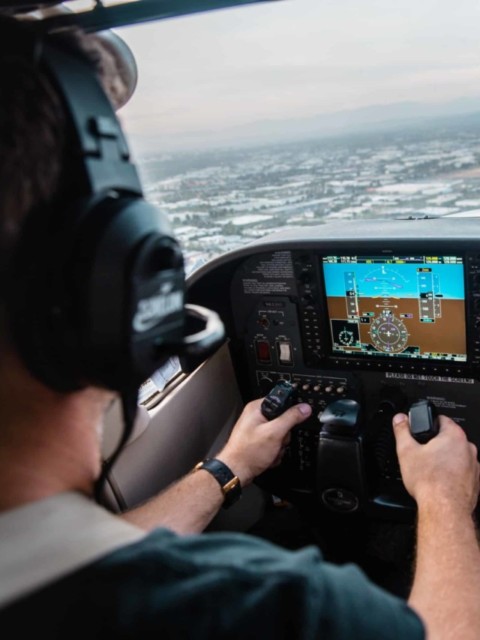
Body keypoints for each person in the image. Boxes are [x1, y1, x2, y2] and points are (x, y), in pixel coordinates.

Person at [0, 19, 479, 640]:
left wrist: (229, 465)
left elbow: (92, 555)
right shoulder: (261, 606)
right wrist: (443, 495)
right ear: (117, 295)